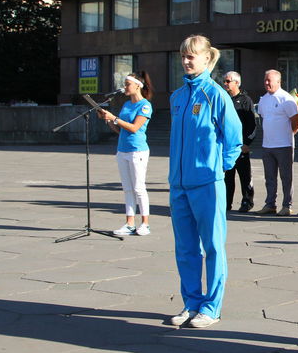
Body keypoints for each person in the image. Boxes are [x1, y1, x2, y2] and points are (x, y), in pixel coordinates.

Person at [168, 35, 242, 328]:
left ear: (206, 59)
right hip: (179, 184)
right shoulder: (177, 97)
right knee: (186, 249)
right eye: (184, 56)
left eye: (192, 56)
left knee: (212, 247)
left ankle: (211, 307)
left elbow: (234, 141)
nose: (187, 61)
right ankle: (191, 303)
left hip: (207, 183)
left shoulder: (216, 95)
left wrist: (216, 169)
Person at [97, 71, 154, 236]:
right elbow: (119, 129)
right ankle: (129, 223)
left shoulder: (145, 105)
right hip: (122, 150)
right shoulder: (127, 105)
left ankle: (145, 223)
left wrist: (114, 118)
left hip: (138, 151)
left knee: (139, 188)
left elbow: (134, 128)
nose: (125, 87)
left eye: (127, 84)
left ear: (138, 85)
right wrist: (108, 120)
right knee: (127, 188)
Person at [255, 69, 298, 216]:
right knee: (269, 178)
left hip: (284, 145)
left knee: (286, 177)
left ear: (278, 82)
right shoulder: (263, 99)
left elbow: (296, 122)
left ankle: (287, 205)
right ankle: (270, 204)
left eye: (270, 80)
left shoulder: (286, 99)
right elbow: (263, 117)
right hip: (267, 145)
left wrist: (289, 134)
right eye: (265, 80)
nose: (267, 83)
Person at [222, 71, 257, 213]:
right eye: (224, 81)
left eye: (228, 81)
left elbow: (252, 125)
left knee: (245, 177)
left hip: (241, 147)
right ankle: (226, 203)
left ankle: (247, 202)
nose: (225, 84)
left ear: (237, 83)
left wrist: (247, 143)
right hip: (226, 147)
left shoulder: (245, 100)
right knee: (227, 177)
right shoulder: (223, 99)